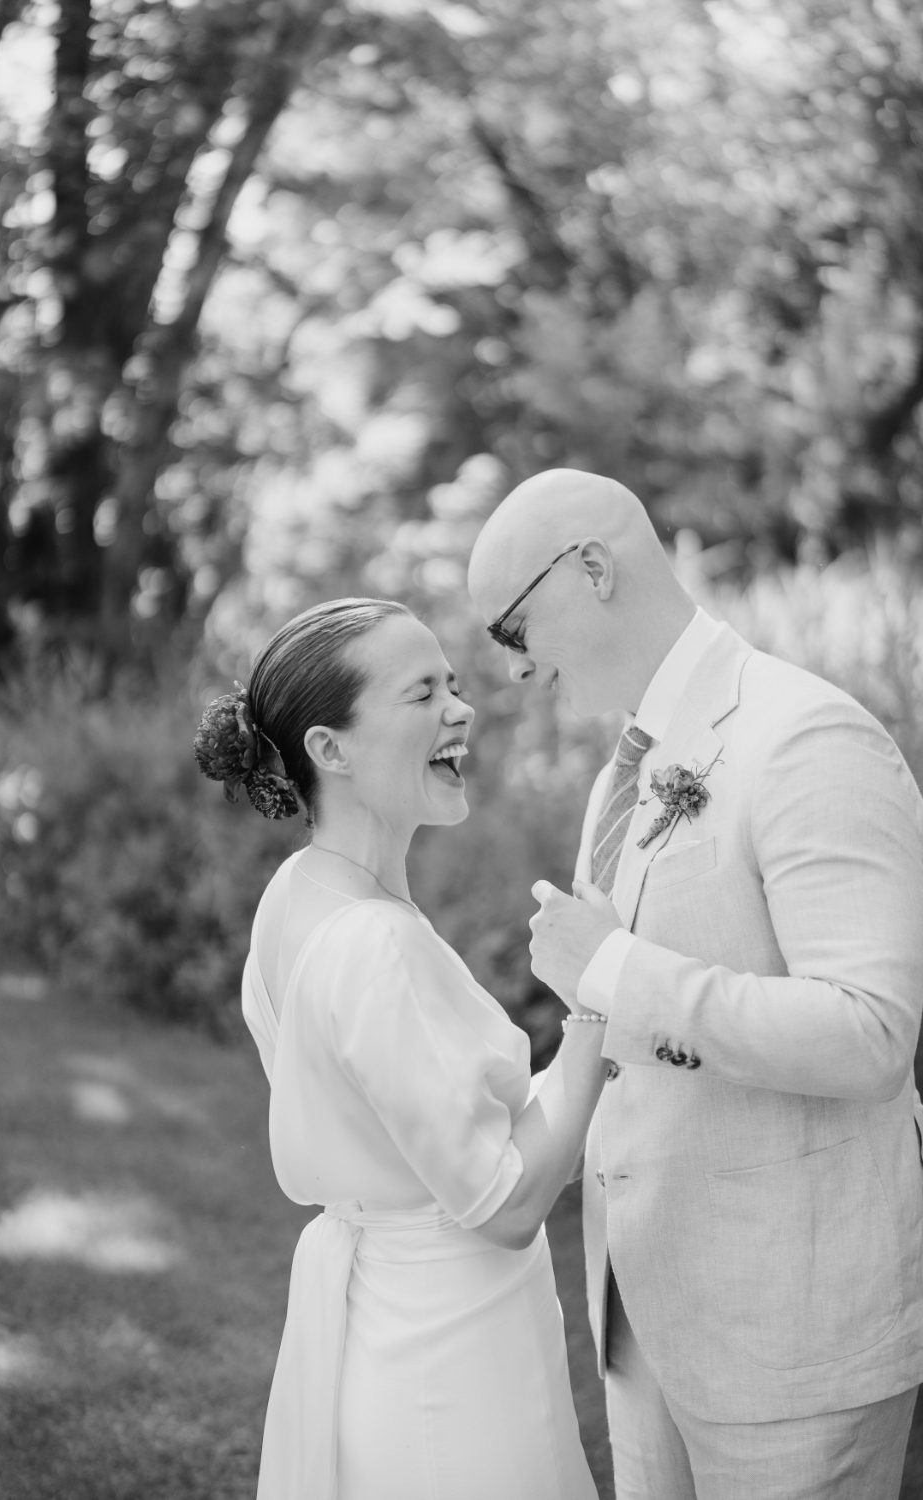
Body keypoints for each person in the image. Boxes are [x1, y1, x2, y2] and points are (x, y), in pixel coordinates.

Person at [467, 468, 923, 1500]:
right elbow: (623, 1046)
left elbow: (868, 1033)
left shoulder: (806, 736)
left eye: (513, 628)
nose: (519, 670)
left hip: (789, 1335)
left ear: (589, 569)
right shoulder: (623, 770)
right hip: (641, 1315)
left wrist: (617, 967)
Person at [193, 597, 607, 1500]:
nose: (461, 709)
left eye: (453, 685)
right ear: (330, 750)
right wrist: (598, 1010)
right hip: (448, 1363)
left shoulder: (296, 898)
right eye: (422, 693)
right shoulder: (376, 945)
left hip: (388, 1328)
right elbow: (502, 1202)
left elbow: (409, 1141)